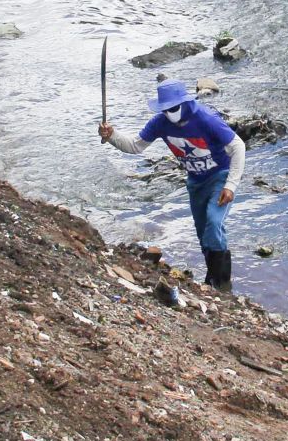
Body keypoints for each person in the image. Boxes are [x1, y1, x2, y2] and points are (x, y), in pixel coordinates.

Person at [99, 79, 245, 290]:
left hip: (220, 177)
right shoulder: (160, 123)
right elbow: (135, 146)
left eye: (174, 108)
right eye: (166, 109)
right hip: (196, 181)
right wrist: (112, 136)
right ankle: (211, 280)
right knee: (203, 231)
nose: (170, 113)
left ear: (184, 102)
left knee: (214, 223)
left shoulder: (205, 118)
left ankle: (222, 285)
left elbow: (238, 146)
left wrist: (230, 185)